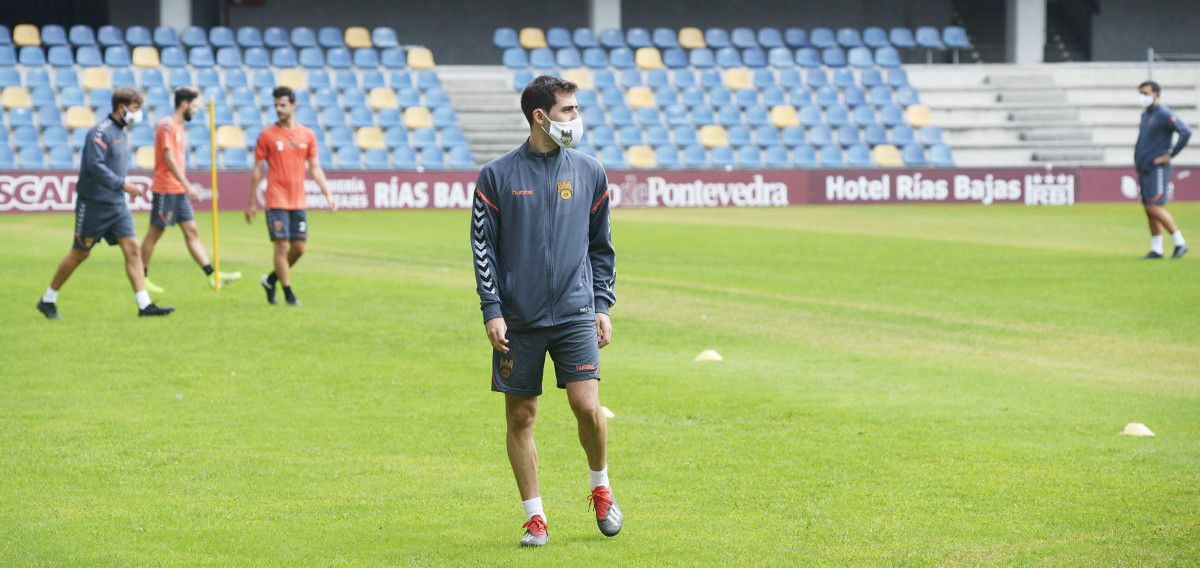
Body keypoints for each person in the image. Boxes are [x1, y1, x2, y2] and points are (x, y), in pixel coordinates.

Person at [472, 75, 620, 547]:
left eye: (575, 109)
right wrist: (492, 308)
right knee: (521, 418)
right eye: (568, 110)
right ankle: (535, 517)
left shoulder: (591, 171)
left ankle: (600, 487)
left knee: (588, 407)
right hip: (518, 319)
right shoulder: (496, 176)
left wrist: (601, 304)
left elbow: (602, 247)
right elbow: (483, 248)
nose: (576, 118)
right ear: (541, 116)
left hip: (576, 312)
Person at [36, 87, 174, 319]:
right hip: (93, 205)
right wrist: (124, 185)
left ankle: (144, 306)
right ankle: (48, 299)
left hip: (116, 205)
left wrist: (121, 189)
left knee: (132, 249)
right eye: (135, 109)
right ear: (122, 108)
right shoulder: (99, 133)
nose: (138, 115)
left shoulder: (122, 132)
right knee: (80, 254)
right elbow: (96, 167)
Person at [141, 87, 241, 291]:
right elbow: (168, 158)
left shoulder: (179, 128)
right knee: (155, 233)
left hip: (177, 190)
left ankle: (212, 275)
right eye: (194, 106)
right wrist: (188, 185)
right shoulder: (167, 125)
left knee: (192, 230)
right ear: (184, 104)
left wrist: (183, 186)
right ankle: (141, 277)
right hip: (166, 188)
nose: (195, 111)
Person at [244, 86, 336, 306]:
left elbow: (315, 167)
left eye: (283, 105)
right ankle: (289, 294)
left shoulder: (308, 135)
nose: (278, 109)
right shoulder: (267, 135)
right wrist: (250, 203)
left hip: (298, 200)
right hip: (276, 199)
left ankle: (271, 279)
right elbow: (257, 169)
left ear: (294, 106)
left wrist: (328, 194)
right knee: (281, 247)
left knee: (299, 248)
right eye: (276, 105)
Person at [1134, 80, 1191, 259]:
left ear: (1157, 95)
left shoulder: (1164, 114)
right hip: (1144, 167)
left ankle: (1180, 242)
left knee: (1154, 206)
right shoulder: (1146, 115)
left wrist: (1171, 154)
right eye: (1141, 94)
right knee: (1148, 208)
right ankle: (1157, 248)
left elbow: (1185, 131)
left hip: (1157, 168)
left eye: (1146, 94)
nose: (1143, 97)